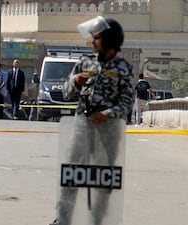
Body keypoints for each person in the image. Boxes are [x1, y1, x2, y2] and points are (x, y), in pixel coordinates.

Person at [50, 16, 134, 225]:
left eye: (97, 38)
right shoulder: (85, 62)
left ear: (110, 40)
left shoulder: (124, 68)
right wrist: (74, 81)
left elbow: (127, 102)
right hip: (82, 128)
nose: (92, 41)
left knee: (103, 180)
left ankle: (98, 220)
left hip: (108, 132)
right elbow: (66, 93)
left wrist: (107, 113)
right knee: (72, 175)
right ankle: (63, 219)